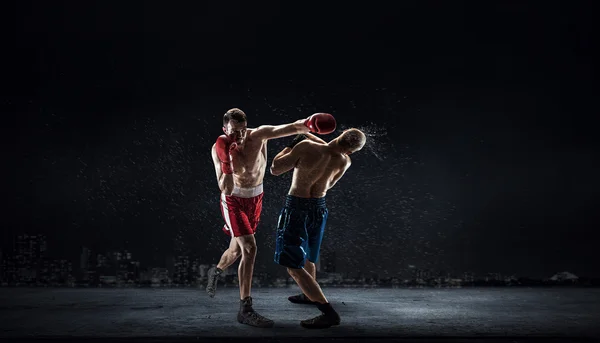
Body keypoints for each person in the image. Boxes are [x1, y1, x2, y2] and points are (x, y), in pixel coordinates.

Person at [207, 108, 337, 328]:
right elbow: (226, 189)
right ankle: (245, 309)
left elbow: (293, 128)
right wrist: (227, 161)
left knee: (236, 250)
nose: (237, 136)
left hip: (255, 198)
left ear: (246, 127)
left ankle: (215, 271)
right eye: (232, 132)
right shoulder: (218, 147)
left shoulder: (259, 135)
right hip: (233, 200)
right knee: (250, 248)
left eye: (241, 131)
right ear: (224, 129)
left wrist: (309, 122)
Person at [270, 127, 367, 329]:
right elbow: (328, 181)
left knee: (293, 266)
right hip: (319, 209)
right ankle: (308, 295)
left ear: (339, 135)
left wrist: (292, 144)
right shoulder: (344, 161)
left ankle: (328, 312)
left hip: (297, 206)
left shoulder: (306, 147)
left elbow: (275, 169)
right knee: (307, 257)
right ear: (350, 151)